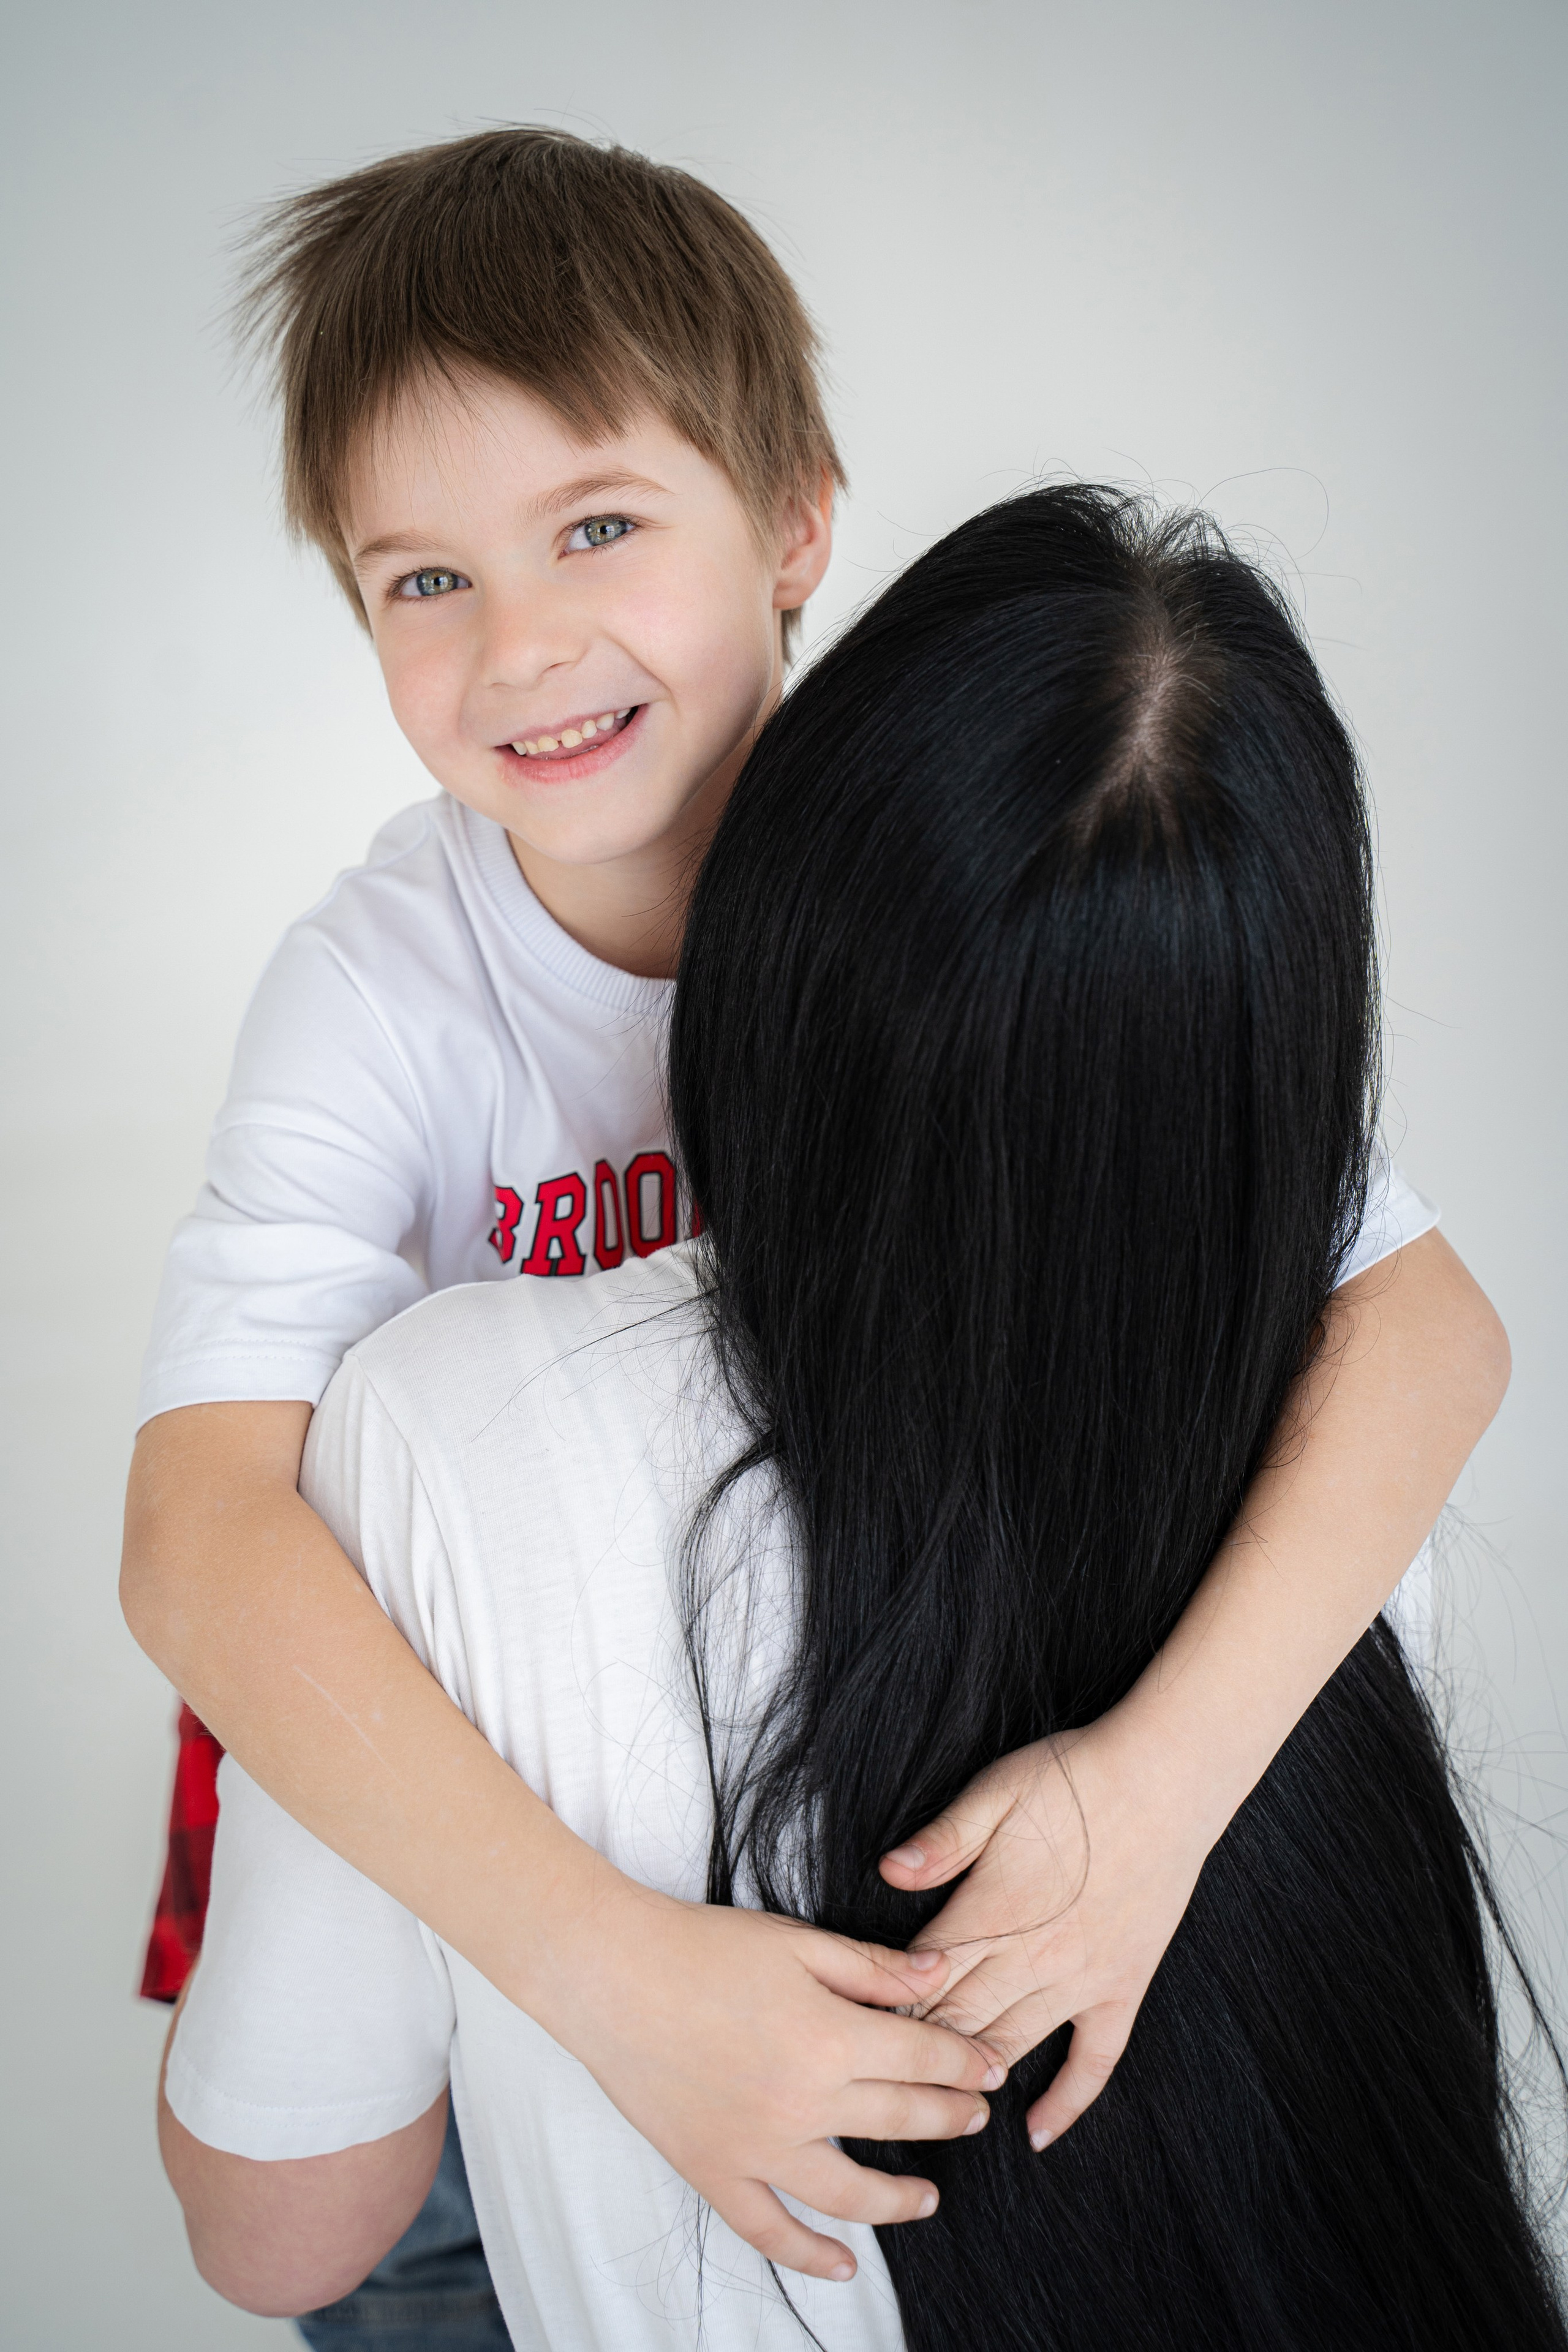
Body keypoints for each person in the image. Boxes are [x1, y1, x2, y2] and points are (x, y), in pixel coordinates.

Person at [124, 129, 1507, 2337]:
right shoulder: (380, 988)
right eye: (423, 579)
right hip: (439, 1789)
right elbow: (199, 1541)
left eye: (596, 527)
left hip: (829, 1777)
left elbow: (1424, 1321)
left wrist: (1158, 1789)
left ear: (792, 524)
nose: (523, 646)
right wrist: (609, 1975)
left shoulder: (948, 837)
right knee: (405, 2251)